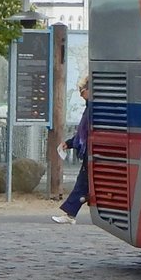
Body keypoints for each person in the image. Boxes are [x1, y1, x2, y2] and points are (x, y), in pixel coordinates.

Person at [51, 76, 90, 224]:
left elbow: (85, 134)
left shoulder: (91, 109)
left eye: (82, 91)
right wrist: (69, 143)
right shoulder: (89, 108)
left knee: (83, 183)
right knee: (83, 183)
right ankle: (70, 213)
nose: (81, 95)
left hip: (91, 152)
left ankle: (70, 214)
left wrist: (70, 143)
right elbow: (83, 134)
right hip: (89, 151)